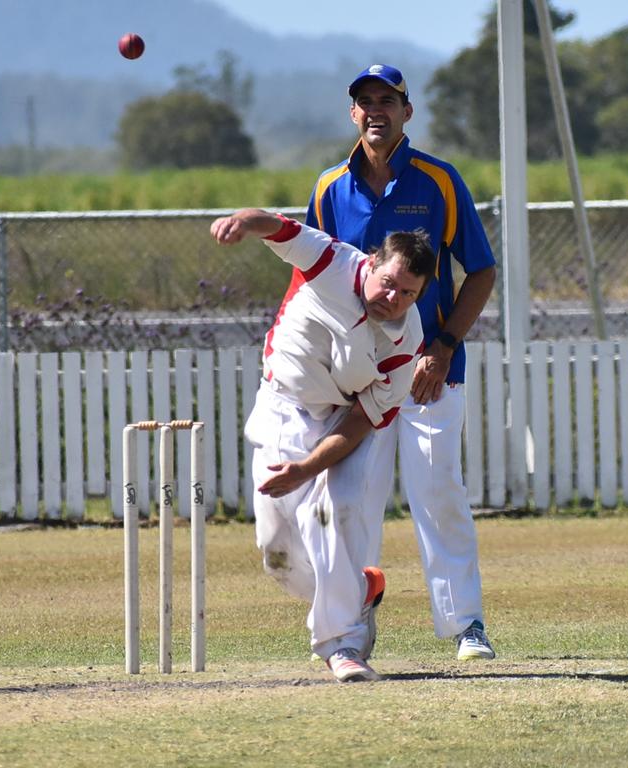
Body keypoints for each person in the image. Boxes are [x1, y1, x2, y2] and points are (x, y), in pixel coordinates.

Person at [306, 64, 498, 660]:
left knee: (438, 490)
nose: (374, 111)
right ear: (352, 114)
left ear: (406, 112)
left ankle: (466, 625)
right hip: (357, 376)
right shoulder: (330, 187)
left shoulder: (437, 180)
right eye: (363, 102)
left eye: (386, 100)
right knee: (354, 501)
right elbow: (314, 280)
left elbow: (481, 269)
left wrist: (443, 348)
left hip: (429, 373)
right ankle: (350, 632)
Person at [210, 207, 434, 682]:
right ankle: (360, 591)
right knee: (277, 554)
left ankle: (343, 645)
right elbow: (280, 227)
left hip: (340, 425)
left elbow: (360, 422)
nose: (393, 298)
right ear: (372, 262)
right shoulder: (331, 262)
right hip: (282, 408)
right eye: (388, 283)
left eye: (408, 293)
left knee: (335, 511)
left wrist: (308, 468)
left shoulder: (406, 343)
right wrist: (244, 223)